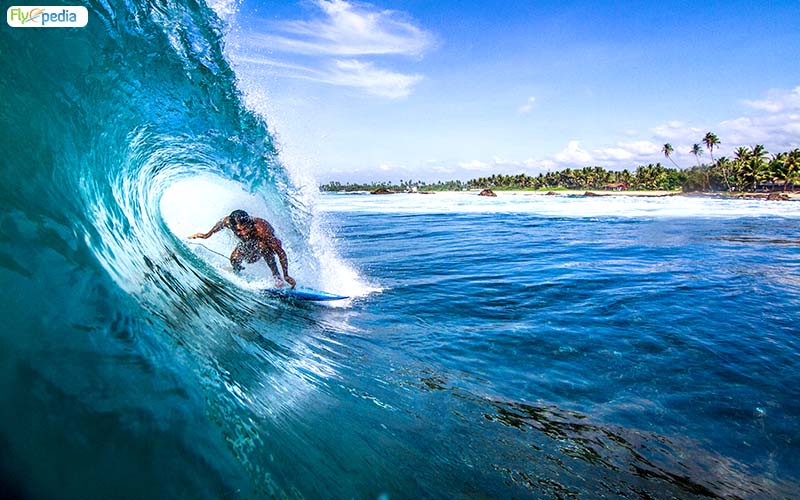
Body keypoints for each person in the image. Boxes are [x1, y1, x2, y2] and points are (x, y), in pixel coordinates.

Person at [189, 210, 296, 289]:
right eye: (238, 231)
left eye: (245, 228)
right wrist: (205, 235)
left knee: (263, 247)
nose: (243, 233)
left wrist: (286, 275)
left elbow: (280, 252)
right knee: (234, 259)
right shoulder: (228, 222)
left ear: (249, 223)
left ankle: (276, 276)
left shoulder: (262, 229)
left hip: (266, 244)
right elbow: (220, 224)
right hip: (248, 245)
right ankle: (236, 270)